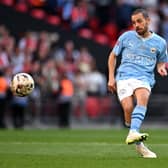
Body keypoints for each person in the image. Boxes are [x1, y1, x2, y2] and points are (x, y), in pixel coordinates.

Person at [107, 8, 168, 158]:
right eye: (134, 22)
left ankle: (133, 132)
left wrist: (161, 68)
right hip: (123, 77)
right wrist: (111, 77)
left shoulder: (160, 42)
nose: (136, 25)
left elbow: (161, 62)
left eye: (139, 21)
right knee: (128, 108)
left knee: (142, 97)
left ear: (148, 20)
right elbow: (112, 56)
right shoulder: (126, 37)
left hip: (144, 78)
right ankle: (139, 144)